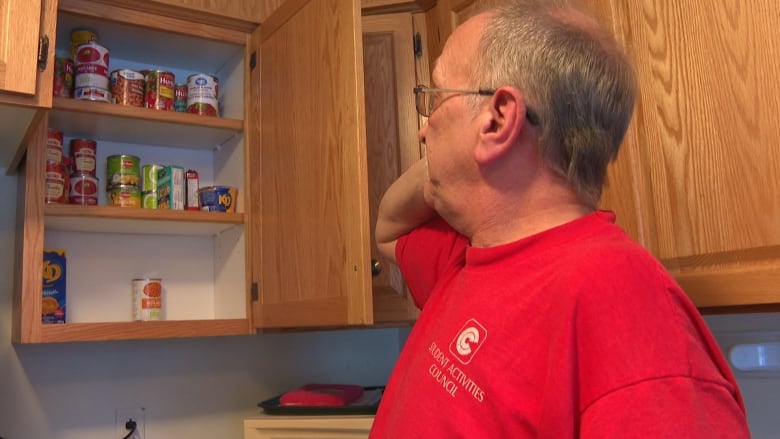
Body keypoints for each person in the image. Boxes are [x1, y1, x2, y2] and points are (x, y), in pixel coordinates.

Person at [368, 0, 750, 437]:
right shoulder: (471, 255)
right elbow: (388, 230)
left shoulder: (623, 305)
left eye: (434, 98)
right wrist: (447, 167)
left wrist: (459, 159)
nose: (423, 127)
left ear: (497, 119)